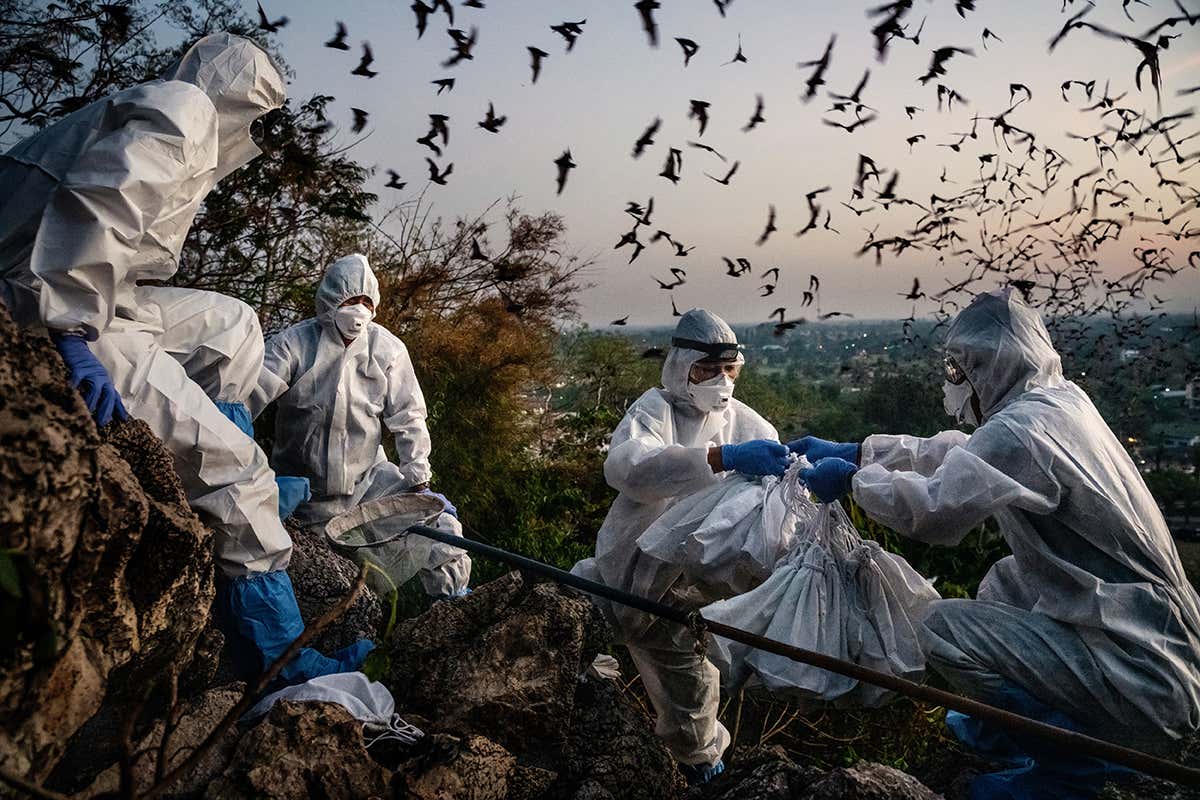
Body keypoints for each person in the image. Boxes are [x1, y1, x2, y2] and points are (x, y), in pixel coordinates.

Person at [0, 33, 373, 686]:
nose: (256, 134)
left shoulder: (171, 110)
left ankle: (223, 444)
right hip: (46, 301)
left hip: (82, 289)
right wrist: (68, 333)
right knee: (241, 473)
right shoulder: (185, 110)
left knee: (231, 325)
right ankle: (279, 657)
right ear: (238, 100)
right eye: (257, 116)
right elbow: (99, 204)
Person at [794, 288, 1200, 799]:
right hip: (1156, 640)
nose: (955, 386)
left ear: (987, 366)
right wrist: (863, 449)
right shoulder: (1060, 404)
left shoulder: (1022, 431)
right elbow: (965, 458)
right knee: (1007, 578)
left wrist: (854, 481)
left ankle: (1070, 767)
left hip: (1137, 676)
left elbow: (935, 512)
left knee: (937, 628)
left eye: (958, 372)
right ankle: (1017, 731)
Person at [572, 308, 790, 785]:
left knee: (691, 705)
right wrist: (717, 458)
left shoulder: (752, 427)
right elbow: (627, 468)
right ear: (680, 367)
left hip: (683, 596)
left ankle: (702, 772)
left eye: (728, 370)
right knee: (566, 623)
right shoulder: (655, 411)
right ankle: (586, 699)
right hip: (622, 570)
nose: (719, 380)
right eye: (706, 370)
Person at [250, 254, 471, 599]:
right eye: (351, 301)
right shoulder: (292, 345)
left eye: (366, 302)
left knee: (441, 525)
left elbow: (409, 416)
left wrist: (418, 478)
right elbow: (248, 397)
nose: (359, 310)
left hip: (370, 484)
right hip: (304, 497)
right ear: (330, 301)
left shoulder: (387, 350)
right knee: (308, 582)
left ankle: (453, 607)